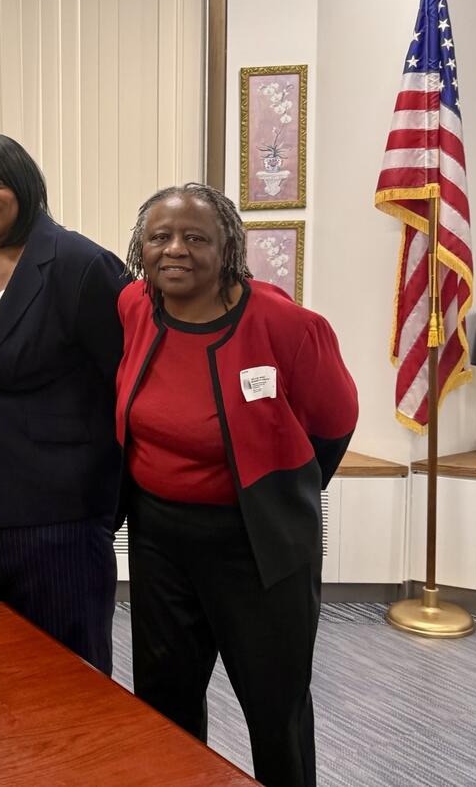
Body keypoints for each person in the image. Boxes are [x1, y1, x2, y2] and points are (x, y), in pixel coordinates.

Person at [117, 182, 357, 787]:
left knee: (275, 708)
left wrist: (275, 496)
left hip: (258, 543)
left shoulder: (288, 325)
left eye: (195, 237)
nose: (175, 249)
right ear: (139, 247)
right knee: (163, 701)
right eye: (160, 237)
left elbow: (334, 423)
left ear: (228, 248)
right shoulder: (134, 306)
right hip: (158, 538)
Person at [0, 134, 126, 671]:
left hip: (54, 510)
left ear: (26, 186)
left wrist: (104, 506)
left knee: (65, 673)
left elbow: (126, 386)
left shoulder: (79, 265)